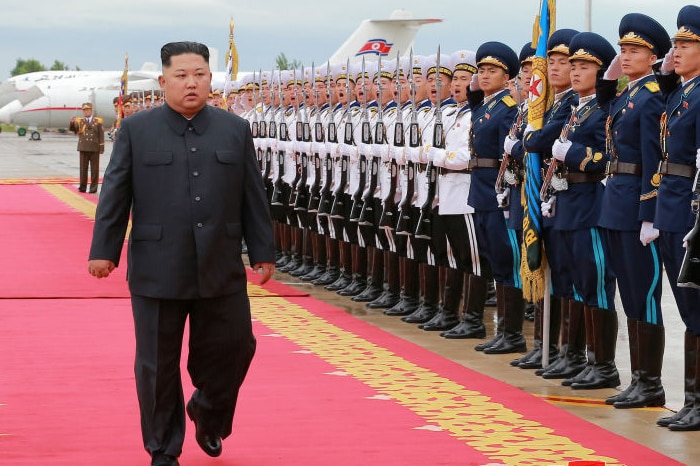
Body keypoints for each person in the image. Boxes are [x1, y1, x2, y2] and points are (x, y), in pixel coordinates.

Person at [87, 41, 275, 466]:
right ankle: (163, 450)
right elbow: (115, 194)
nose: (192, 83)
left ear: (210, 78)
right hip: (158, 266)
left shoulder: (234, 129)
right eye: (182, 76)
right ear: (163, 81)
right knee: (156, 366)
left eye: (200, 75)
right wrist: (104, 250)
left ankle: (208, 413)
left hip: (220, 265)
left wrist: (262, 250)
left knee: (237, 348)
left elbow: (252, 195)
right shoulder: (137, 129)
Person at [597, 13, 670, 409]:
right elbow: (605, 92)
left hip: (636, 203)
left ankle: (651, 382)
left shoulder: (653, 95)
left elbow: (654, 156)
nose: (625, 56)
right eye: (622, 49)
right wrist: (615, 69)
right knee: (628, 294)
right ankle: (638, 378)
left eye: (634, 50)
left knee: (643, 296)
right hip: (615, 201)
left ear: (654, 56)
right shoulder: (629, 93)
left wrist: (649, 212)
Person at [654, 4, 700, 431]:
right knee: (687, 308)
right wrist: (667, 68)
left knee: (698, 306)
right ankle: (691, 398)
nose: (677, 51)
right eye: (676, 44)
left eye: (686, 44)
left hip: (691, 207)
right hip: (670, 204)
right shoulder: (682, 92)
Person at [69, 102, 104, 193]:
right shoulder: (80, 121)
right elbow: (74, 129)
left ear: (91, 111)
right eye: (84, 110)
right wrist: (72, 122)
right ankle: (82, 187)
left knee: (94, 170)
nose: (86, 112)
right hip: (83, 147)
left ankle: (93, 188)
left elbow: (101, 135)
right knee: (83, 169)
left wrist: (101, 147)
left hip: (94, 148)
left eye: (87, 110)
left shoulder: (97, 121)